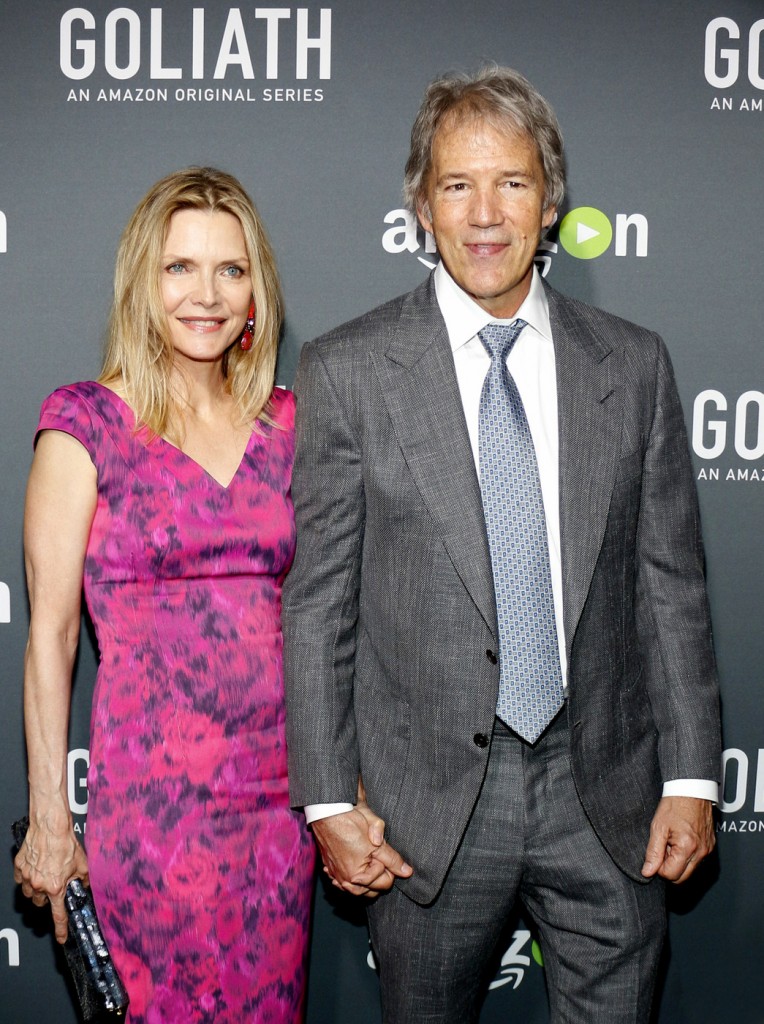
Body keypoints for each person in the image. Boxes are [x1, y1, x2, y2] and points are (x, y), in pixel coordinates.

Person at [282, 67, 722, 1022]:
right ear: (421, 206)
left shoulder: (633, 363)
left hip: (607, 796)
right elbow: (318, 603)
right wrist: (325, 800)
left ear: (550, 200)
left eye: (513, 183)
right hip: (424, 812)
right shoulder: (349, 371)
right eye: (457, 185)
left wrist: (690, 776)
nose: (486, 213)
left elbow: (670, 587)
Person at [13, 167, 315, 1023]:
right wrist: (49, 818)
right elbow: (52, 636)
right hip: (150, 813)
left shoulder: (292, 425)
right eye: (180, 268)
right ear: (143, 283)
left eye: (231, 269)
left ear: (258, 289)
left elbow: (326, 616)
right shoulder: (84, 424)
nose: (207, 295)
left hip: (275, 808)